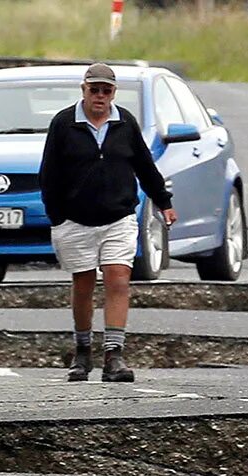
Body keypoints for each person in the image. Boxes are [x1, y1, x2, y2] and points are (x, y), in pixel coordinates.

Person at [39, 63, 176, 383]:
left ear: (114, 93)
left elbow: (145, 165)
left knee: (118, 280)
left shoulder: (125, 123)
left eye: (107, 91)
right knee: (84, 285)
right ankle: (82, 352)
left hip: (118, 217)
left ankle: (114, 356)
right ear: (83, 90)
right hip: (74, 220)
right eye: (94, 90)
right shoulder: (63, 124)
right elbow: (49, 175)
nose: (100, 96)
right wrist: (56, 216)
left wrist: (164, 202)